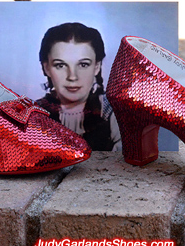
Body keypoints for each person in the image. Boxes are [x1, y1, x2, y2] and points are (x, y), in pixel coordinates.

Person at [37, 22, 122, 151]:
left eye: (83, 65)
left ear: (96, 67)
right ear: (46, 68)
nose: (72, 77)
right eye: (60, 65)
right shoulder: (34, 114)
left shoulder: (115, 113)